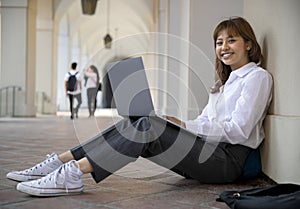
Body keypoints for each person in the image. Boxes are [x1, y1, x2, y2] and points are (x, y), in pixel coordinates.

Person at [6, 17, 273, 197]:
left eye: (231, 40)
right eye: (219, 42)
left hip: (226, 163)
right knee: (138, 121)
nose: (223, 47)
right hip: (207, 152)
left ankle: (74, 174)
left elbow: (238, 131)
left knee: (147, 126)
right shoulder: (223, 84)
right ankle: (61, 162)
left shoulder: (256, 78)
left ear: (248, 44)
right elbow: (206, 121)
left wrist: (184, 126)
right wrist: (177, 125)